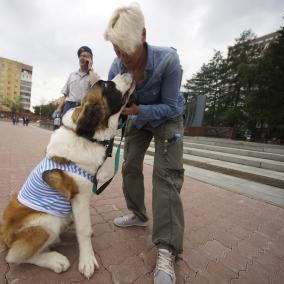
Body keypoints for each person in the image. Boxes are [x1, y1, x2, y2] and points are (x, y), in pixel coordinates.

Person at [104, 4, 185, 284]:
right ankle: (138, 214)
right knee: (129, 166)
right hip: (136, 120)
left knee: (166, 178)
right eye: (117, 50)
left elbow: (170, 106)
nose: (123, 58)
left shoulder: (168, 61)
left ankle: (167, 248)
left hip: (167, 118)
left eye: (127, 49)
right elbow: (111, 100)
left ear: (143, 36)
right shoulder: (117, 65)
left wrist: (139, 111)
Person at [60, 46, 99, 116]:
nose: (81, 58)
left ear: (90, 59)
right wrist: (59, 108)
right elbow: (65, 94)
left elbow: (96, 86)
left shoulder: (94, 76)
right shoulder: (72, 75)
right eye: (80, 56)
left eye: (84, 56)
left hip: (84, 108)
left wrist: (90, 68)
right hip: (69, 107)